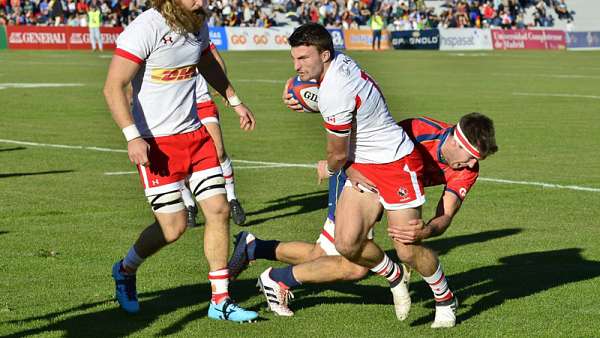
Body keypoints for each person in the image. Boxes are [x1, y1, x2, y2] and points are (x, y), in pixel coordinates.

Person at [250, 23, 450, 328]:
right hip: (364, 165)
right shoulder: (340, 63)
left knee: (408, 248)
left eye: (303, 58)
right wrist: (310, 96)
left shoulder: (334, 91)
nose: (296, 66)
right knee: (346, 243)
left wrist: (327, 168)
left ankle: (445, 299)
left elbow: (338, 155)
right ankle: (394, 276)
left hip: (396, 163)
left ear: (324, 54)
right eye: (294, 58)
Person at [229, 114, 498, 327]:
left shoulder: (465, 170)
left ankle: (257, 251)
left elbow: (446, 215)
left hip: (394, 191)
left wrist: (426, 230)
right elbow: (363, 141)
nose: (473, 166)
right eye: (471, 158)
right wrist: (334, 165)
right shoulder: (416, 131)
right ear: (455, 141)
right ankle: (274, 274)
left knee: (356, 263)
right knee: (338, 259)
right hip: (359, 174)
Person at [102, 0, 257, 322]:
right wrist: (132, 136)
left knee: (219, 210)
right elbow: (112, 86)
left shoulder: (196, 22)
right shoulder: (145, 28)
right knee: (173, 228)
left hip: (196, 136)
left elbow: (208, 65)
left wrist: (234, 101)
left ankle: (220, 300)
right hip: (157, 143)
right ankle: (125, 269)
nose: (201, 2)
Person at [180, 43, 247, 227]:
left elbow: (216, 60)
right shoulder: (158, 35)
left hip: (201, 100)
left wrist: (223, 86)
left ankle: (232, 199)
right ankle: (189, 205)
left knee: (218, 151)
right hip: (175, 106)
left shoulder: (196, 32)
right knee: (180, 161)